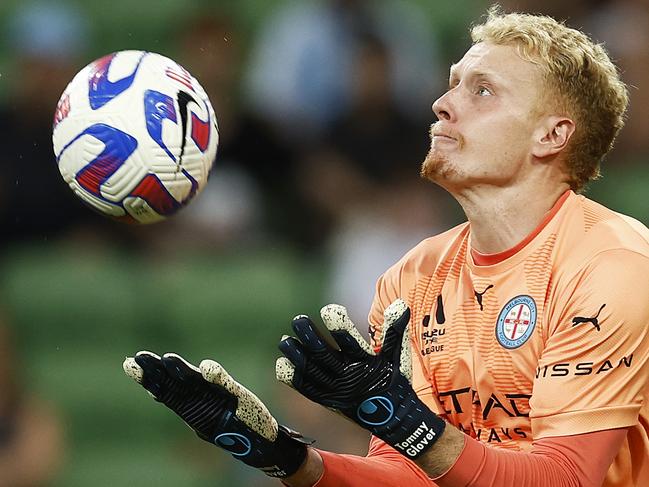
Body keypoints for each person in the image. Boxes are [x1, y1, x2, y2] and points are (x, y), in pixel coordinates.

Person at [123, 7, 649, 487]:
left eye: (482, 90)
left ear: (551, 135)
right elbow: (412, 474)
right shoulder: (412, 277)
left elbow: (566, 479)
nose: (443, 104)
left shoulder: (612, 266)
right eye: (452, 85)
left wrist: (416, 428)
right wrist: (289, 458)